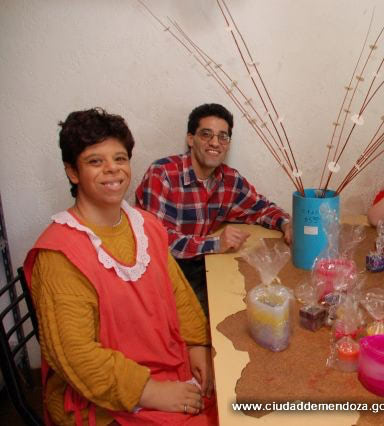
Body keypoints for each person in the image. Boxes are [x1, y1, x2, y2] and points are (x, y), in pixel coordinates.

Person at [24, 108, 216, 425]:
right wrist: (151, 392)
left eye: (120, 158)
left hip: (165, 363)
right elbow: (76, 354)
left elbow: (177, 292)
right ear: (73, 172)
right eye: (95, 161)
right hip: (104, 395)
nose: (112, 169)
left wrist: (197, 344)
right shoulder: (59, 254)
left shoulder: (146, 225)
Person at [136, 103, 291, 315]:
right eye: (206, 134)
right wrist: (216, 243)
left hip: (204, 268)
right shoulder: (162, 174)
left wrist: (286, 224)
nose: (215, 143)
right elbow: (158, 241)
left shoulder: (230, 180)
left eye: (222, 137)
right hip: (162, 277)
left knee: (260, 300)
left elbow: (262, 209)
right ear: (190, 139)